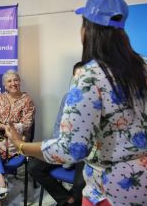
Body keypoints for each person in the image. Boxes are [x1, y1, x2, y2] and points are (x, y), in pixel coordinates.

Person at [4, 0, 147, 205]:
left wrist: (20, 144)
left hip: (118, 189)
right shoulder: (146, 67)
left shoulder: (89, 75)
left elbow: (71, 149)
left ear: (87, 29)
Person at [28, 61, 85, 206]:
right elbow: (57, 126)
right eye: (76, 76)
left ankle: (72, 200)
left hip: (83, 155)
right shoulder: (67, 97)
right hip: (64, 147)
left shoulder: (96, 100)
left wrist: (71, 157)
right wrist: (59, 150)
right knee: (34, 167)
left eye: (83, 75)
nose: (79, 79)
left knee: (79, 185)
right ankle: (66, 199)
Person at [0, 69, 35, 206]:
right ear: (5, 85)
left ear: (19, 82)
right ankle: (0, 179)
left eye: (15, 80)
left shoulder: (27, 100)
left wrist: (6, 127)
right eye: (9, 81)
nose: (13, 83)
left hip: (16, 138)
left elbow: (26, 125)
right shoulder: (0, 98)